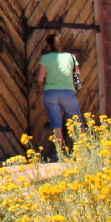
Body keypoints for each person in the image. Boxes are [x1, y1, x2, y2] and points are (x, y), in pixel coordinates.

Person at [36, 32, 81, 161]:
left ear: (49, 45)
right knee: (77, 122)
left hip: (51, 93)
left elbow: (40, 78)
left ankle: (61, 154)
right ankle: (83, 150)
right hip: (68, 92)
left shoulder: (46, 58)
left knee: (56, 124)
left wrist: (40, 88)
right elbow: (78, 75)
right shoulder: (71, 57)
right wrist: (76, 89)